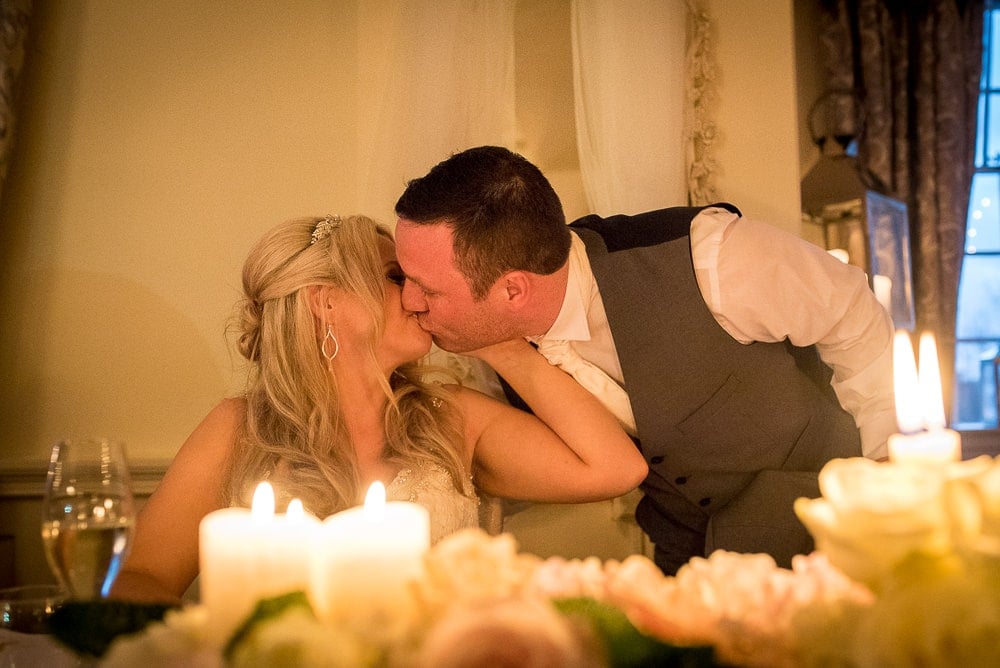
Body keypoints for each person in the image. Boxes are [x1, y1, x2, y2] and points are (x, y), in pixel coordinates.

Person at [393, 145, 897, 575]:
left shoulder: (711, 258)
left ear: (512, 290)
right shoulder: (489, 345)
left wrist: (886, 480)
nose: (410, 301)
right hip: (686, 562)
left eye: (428, 288)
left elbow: (854, 317)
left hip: (834, 533)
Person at [111, 214, 647, 604]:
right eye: (396, 278)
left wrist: (490, 336)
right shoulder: (239, 428)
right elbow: (145, 578)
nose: (418, 295)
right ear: (325, 301)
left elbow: (616, 468)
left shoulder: (452, 417)